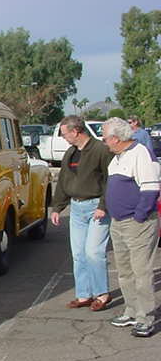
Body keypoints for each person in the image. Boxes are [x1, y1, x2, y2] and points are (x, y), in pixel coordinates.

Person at [103, 117, 160, 337]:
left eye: (106, 137)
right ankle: (132, 310)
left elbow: (150, 189)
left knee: (141, 272)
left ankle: (145, 317)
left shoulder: (141, 153)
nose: (104, 141)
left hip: (138, 224)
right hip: (118, 223)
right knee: (125, 272)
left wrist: (138, 216)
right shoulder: (117, 157)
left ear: (116, 138)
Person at [51, 115, 114, 310]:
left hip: (96, 207)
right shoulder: (70, 153)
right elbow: (63, 181)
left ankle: (102, 294)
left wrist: (103, 205)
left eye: (64, 134)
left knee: (93, 252)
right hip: (76, 208)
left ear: (75, 131)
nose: (63, 137)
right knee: (78, 254)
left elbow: (111, 180)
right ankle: (84, 294)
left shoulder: (101, 151)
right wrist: (57, 207)